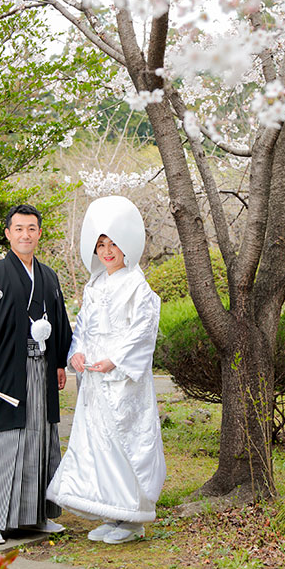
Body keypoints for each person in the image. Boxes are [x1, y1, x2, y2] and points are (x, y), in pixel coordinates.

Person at [47, 195, 166, 544]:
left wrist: (115, 359)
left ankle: (132, 520)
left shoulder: (137, 285)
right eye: (102, 244)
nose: (108, 250)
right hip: (96, 380)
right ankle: (112, 513)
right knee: (98, 444)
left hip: (123, 380)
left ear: (126, 245)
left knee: (124, 443)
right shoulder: (95, 285)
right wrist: (78, 353)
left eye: (114, 243)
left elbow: (143, 328)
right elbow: (83, 327)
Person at [0, 203, 72, 545]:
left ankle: (35, 517)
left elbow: (60, 324)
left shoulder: (49, 276)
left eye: (32, 228)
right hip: (6, 371)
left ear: (39, 233)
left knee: (40, 439)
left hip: (41, 367)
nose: (26, 234)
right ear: (8, 234)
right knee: (4, 442)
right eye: (19, 228)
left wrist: (58, 364)